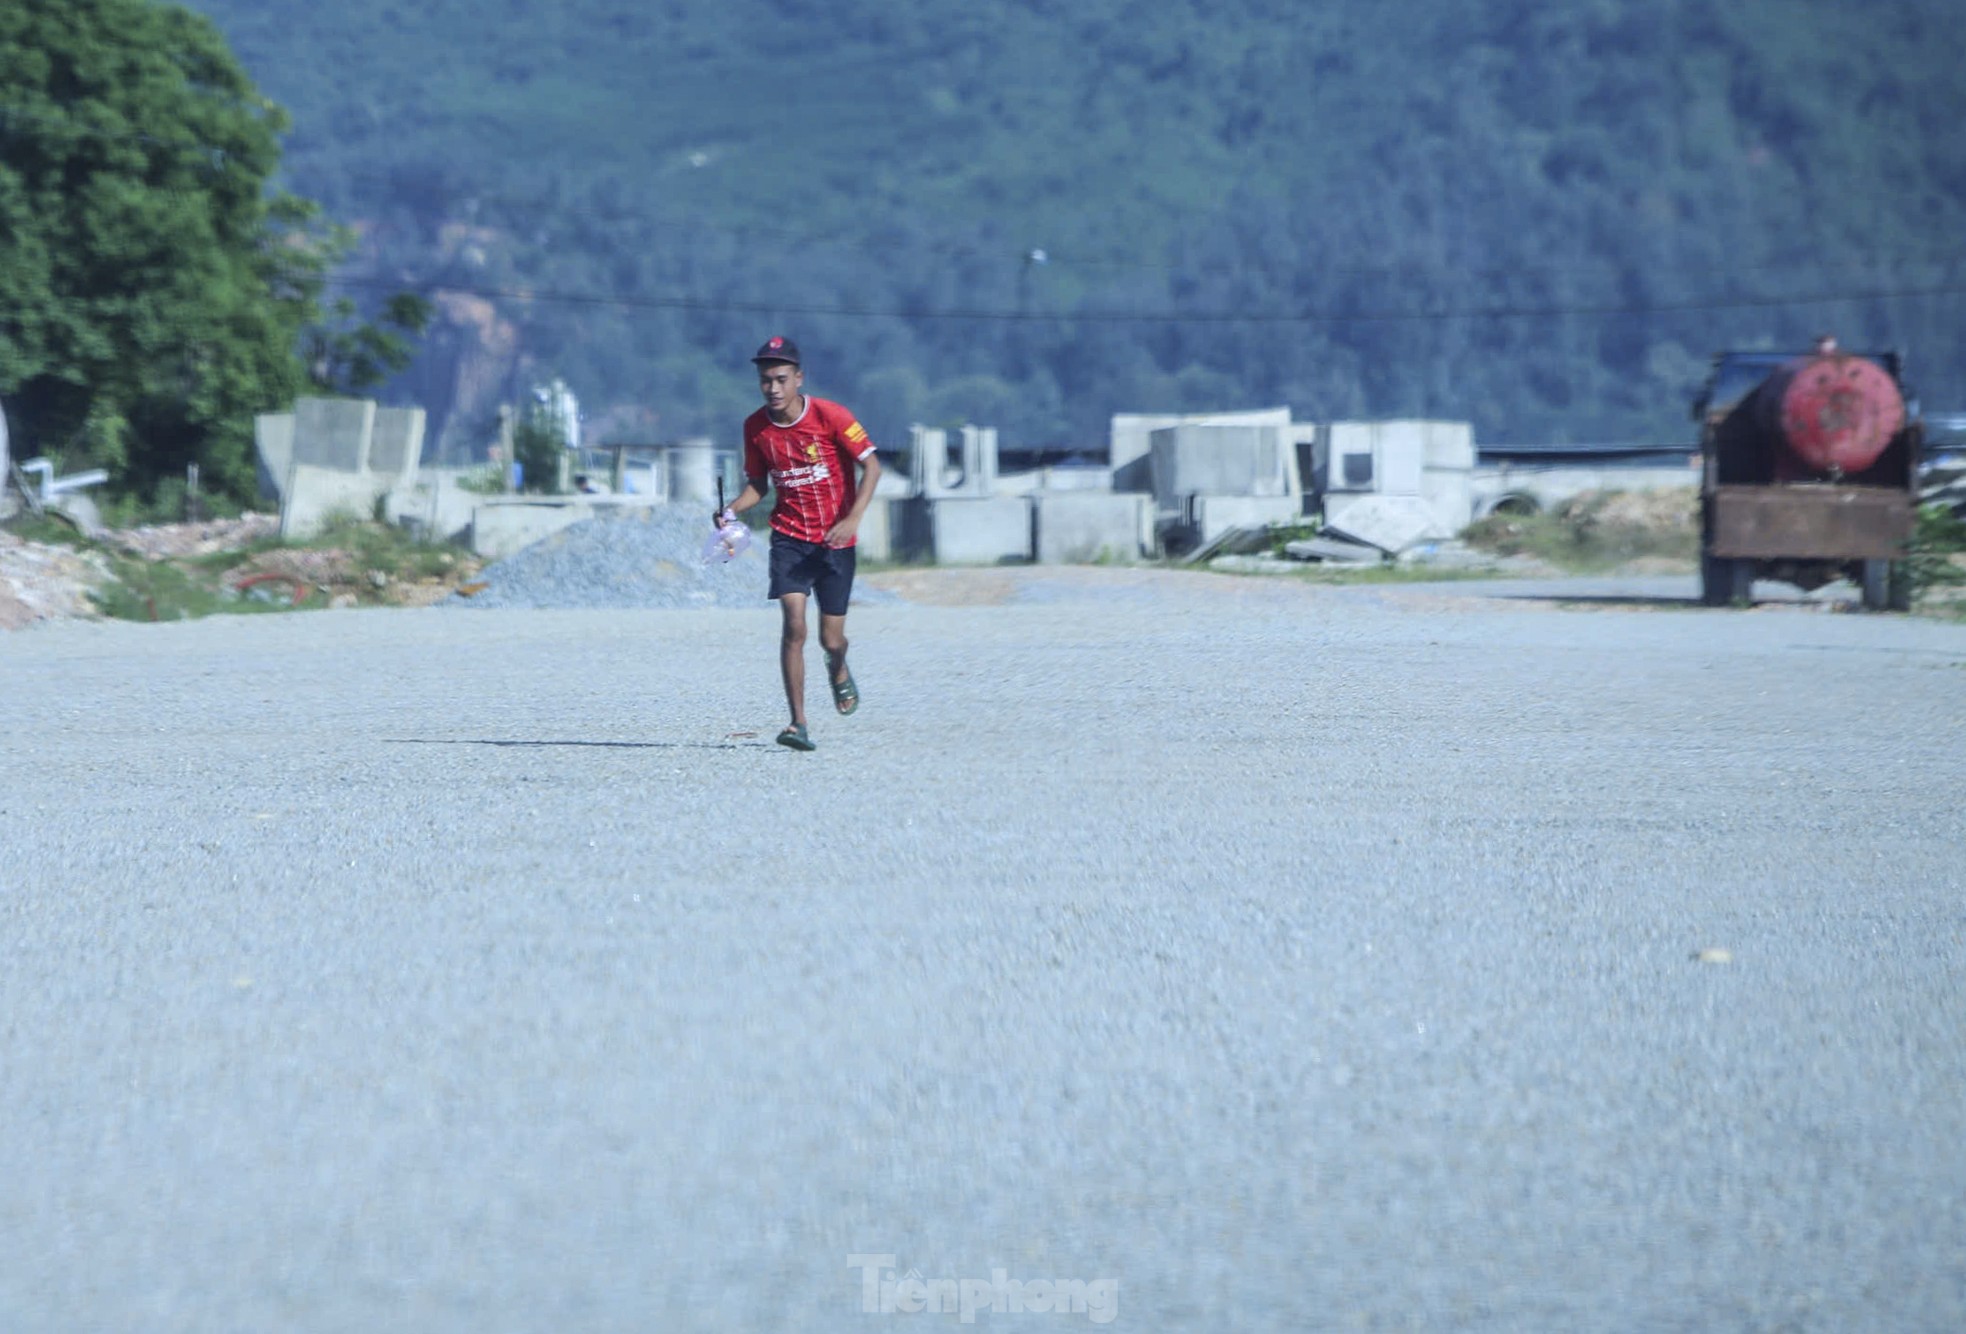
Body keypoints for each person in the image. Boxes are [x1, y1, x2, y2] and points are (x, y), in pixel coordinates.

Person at [716, 336, 882, 751]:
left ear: (798, 379)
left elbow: (872, 466)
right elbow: (758, 484)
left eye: (780, 379)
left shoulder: (830, 416)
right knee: (793, 626)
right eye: (765, 381)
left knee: (831, 639)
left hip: (835, 540)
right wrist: (732, 511)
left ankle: (839, 666)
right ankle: (798, 723)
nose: (772, 388)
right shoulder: (755, 427)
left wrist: (853, 518)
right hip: (790, 538)